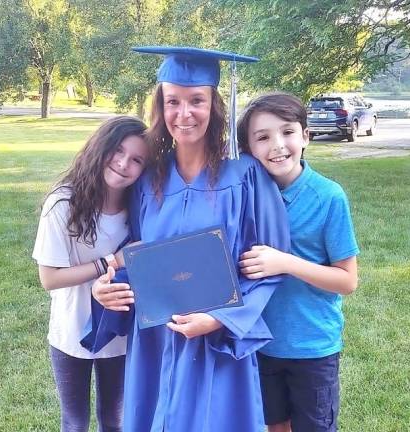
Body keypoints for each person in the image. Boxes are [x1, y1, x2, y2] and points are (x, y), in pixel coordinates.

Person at [90, 47, 290, 432]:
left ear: (214, 105)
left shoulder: (245, 176)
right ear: (160, 109)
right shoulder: (148, 180)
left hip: (218, 340)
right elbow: (138, 257)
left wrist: (219, 319)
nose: (184, 114)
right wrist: (108, 289)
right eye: (173, 102)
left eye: (196, 100)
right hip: (156, 340)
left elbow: (269, 267)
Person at [237, 92, 360, 432]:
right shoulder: (244, 199)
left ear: (305, 136)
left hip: (312, 346)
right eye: (262, 137)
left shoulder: (328, 197)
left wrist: (285, 262)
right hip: (262, 342)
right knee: (274, 426)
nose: (277, 145)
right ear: (248, 150)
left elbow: (347, 281)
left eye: (287, 132)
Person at [32, 116, 149, 432]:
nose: (124, 164)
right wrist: (110, 261)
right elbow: (50, 278)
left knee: (114, 419)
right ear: (101, 147)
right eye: (118, 151)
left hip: (119, 333)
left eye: (137, 160)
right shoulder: (63, 203)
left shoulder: (141, 208)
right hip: (71, 332)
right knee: (75, 421)